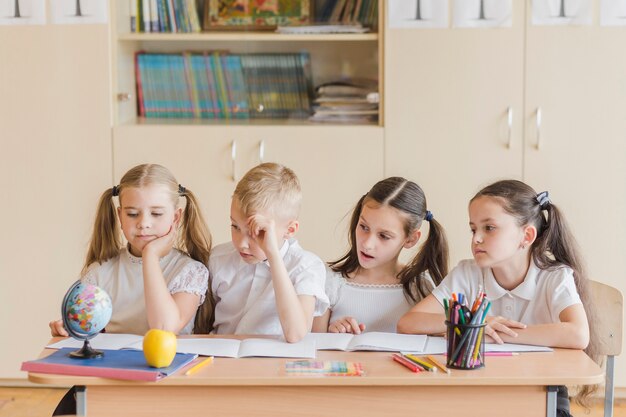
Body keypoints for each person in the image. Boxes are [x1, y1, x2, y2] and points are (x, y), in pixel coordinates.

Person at [397, 179, 599, 415]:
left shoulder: (554, 276)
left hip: (541, 392)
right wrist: (473, 325)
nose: (476, 239)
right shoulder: (467, 273)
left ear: (527, 236)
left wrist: (498, 335)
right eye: (473, 229)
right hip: (479, 390)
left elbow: (578, 334)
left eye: (489, 228)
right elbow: (408, 323)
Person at [49, 163, 212, 337]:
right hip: (113, 364)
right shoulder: (100, 273)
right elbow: (85, 327)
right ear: (120, 216)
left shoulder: (189, 272)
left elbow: (164, 329)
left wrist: (150, 256)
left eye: (156, 214)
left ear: (176, 217)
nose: (143, 224)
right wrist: (69, 328)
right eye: (133, 214)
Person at [194, 163, 328, 343]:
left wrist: (272, 255)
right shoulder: (218, 259)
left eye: (257, 233)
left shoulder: (307, 267)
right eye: (235, 226)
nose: (241, 244)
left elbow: (296, 334)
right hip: (222, 360)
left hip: (274, 365)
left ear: (290, 230)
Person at [312, 177, 449, 334]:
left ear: (411, 239)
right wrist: (332, 334)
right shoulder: (329, 282)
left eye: (384, 236)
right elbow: (316, 349)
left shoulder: (421, 288)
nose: (367, 244)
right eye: (364, 227)